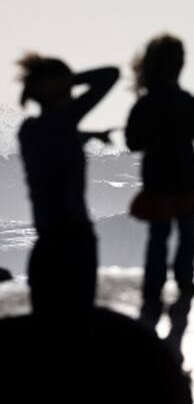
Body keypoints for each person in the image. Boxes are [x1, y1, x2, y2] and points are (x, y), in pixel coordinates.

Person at [125, 34, 194, 341]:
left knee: (159, 236)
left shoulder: (146, 104)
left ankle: (154, 290)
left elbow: (133, 141)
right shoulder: (189, 103)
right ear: (180, 67)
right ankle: (184, 282)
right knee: (187, 232)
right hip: (188, 178)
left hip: (158, 179)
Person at [17, 54, 118, 317]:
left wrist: (89, 136)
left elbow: (55, 140)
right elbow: (111, 74)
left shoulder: (28, 131)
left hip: (46, 245)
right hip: (75, 243)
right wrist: (69, 80)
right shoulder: (63, 120)